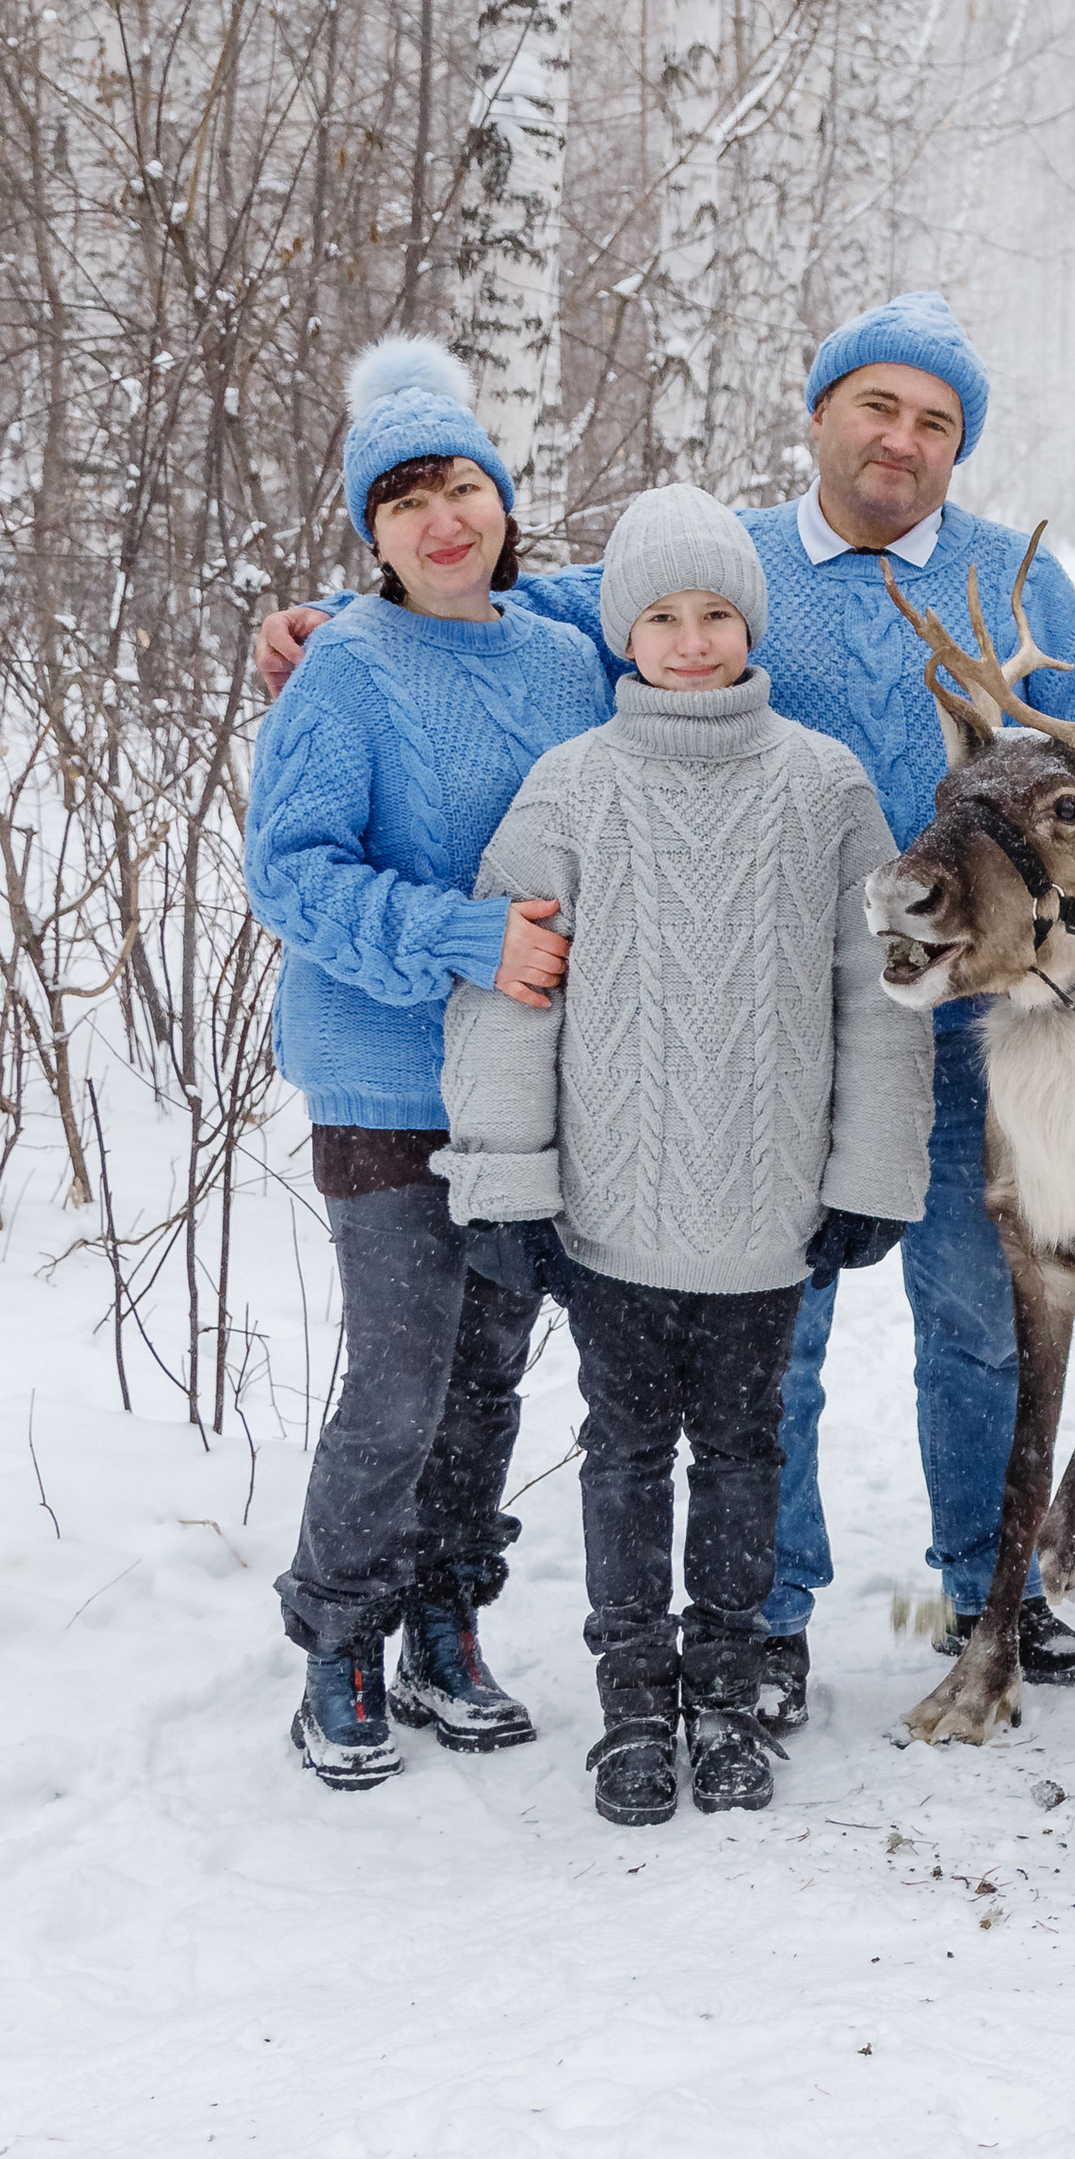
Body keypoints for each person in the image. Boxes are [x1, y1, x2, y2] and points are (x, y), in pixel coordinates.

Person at [256, 293, 1075, 1731]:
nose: (901, 441)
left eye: (935, 422)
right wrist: (352, 615)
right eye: (876, 407)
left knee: (978, 1316)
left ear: (958, 449)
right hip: (781, 1024)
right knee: (784, 1334)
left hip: (986, 1030)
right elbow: (522, 608)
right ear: (818, 415)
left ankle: (986, 1583)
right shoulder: (734, 561)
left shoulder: (1020, 585)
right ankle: (768, 1613)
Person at [436, 486, 934, 1824]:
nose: (695, 640)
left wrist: (870, 1175)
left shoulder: (823, 784)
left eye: (717, 614)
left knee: (744, 1452)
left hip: (769, 1218)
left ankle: (724, 1692)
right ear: (625, 635)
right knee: (622, 1454)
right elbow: (507, 995)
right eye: (663, 617)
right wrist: (505, 1179)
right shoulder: (573, 787)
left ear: (750, 625)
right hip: (610, 1214)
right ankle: (632, 1707)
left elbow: (877, 991)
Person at [244, 339, 610, 1790]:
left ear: (504, 501)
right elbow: (291, 871)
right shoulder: (345, 664)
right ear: (372, 537)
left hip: (525, 1084)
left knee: (486, 1383)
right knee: (401, 1376)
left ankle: (444, 1622)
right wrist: (460, 936)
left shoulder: (565, 655)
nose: (442, 519)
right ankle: (339, 1637)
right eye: (403, 503)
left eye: (462, 486)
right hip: (388, 1075)